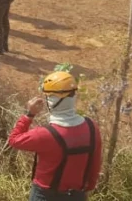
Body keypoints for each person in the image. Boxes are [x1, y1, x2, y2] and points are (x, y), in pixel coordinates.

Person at [8, 71, 102, 201]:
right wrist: (87, 187)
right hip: (77, 195)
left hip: (45, 195)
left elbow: (14, 139)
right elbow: (95, 163)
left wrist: (29, 115)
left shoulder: (45, 134)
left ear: (51, 101)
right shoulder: (92, 127)